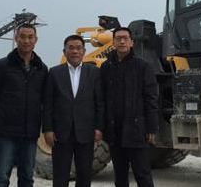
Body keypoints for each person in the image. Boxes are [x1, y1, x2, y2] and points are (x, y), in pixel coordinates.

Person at [0, 23, 48, 187]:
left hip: (30, 133)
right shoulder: (2, 66)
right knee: (2, 176)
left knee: (27, 177)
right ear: (16, 38)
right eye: (22, 37)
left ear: (36, 40)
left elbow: (44, 98)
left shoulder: (41, 69)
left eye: (30, 37)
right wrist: (5, 111)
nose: (26, 41)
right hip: (6, 133)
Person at [42, 35, 104, 187]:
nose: (75, 51)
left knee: (84, 176)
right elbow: (48, 104)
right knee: (60, 175)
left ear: (84, 51)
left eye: (78, 48)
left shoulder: (94, 72)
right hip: (61, 134)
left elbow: (100, 103)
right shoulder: (54, 73)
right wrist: (48, 129)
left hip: (86, 132)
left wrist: (99, 127)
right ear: (64, 51)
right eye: (71, 48)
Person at [100, 27, 158, 187]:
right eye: (118, 38)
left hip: (137, 131)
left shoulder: (143, 66)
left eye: (125, 38)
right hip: (115, 131)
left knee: (143, 175)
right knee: (120, 176)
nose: (122, 41)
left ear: (132, 42)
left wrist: (151, 128)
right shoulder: (106, 67)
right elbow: (101, 99)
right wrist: (101, 127)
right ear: (113, 43)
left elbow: (151, 98)